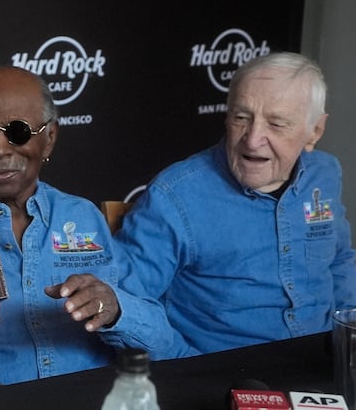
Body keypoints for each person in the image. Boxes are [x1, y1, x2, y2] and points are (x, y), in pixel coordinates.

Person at [0, 66, 189, 400]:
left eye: (18, 131)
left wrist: (115, 309)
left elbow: (163, 343)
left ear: (49, 138)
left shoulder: (82, 217)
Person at [113, 51, 356, 354]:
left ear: (314, 131)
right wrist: (186, 365)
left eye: (276, 124)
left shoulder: (325, 173)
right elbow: (125, 302)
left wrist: (349, 336)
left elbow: (340, 260)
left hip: (325, 361)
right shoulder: (176, 194)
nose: (252, 140)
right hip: (223, 369)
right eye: (241, 118)